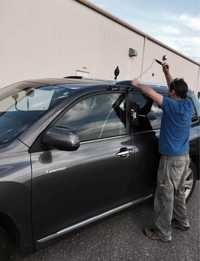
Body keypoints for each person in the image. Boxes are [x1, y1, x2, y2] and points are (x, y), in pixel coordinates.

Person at [132, 63, 193, 242]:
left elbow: (151, 93)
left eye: (170, 90)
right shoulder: (187, 103)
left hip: (171, 160)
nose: (168, 91)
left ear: (173, 93)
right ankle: (183, 222)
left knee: (165, 195)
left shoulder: (171, 106)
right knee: (179, 192)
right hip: (183, 157)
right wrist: (166, 72)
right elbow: (172, 86)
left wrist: (137, 84)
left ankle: (163, 232)